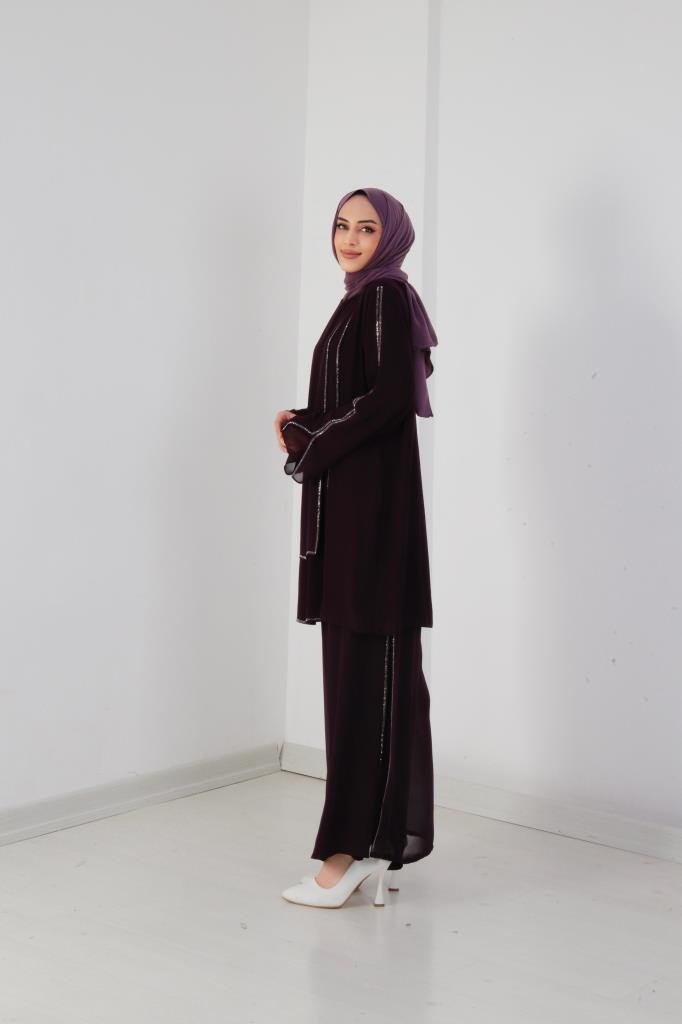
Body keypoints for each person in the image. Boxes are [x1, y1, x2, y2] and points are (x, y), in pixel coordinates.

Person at [274, 187, 438, 909]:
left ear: (390, 237)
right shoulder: (358, 301)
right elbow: (358, 401)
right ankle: (373, 844)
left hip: (371, 522)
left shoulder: (384, 298)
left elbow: (388, 400)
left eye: (367, 228)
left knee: (362, 680)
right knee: (356, 675)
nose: (350, 238)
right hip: (354, 516)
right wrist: (303, 421)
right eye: (342, 225)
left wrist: (308, 439)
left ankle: (346, 854)